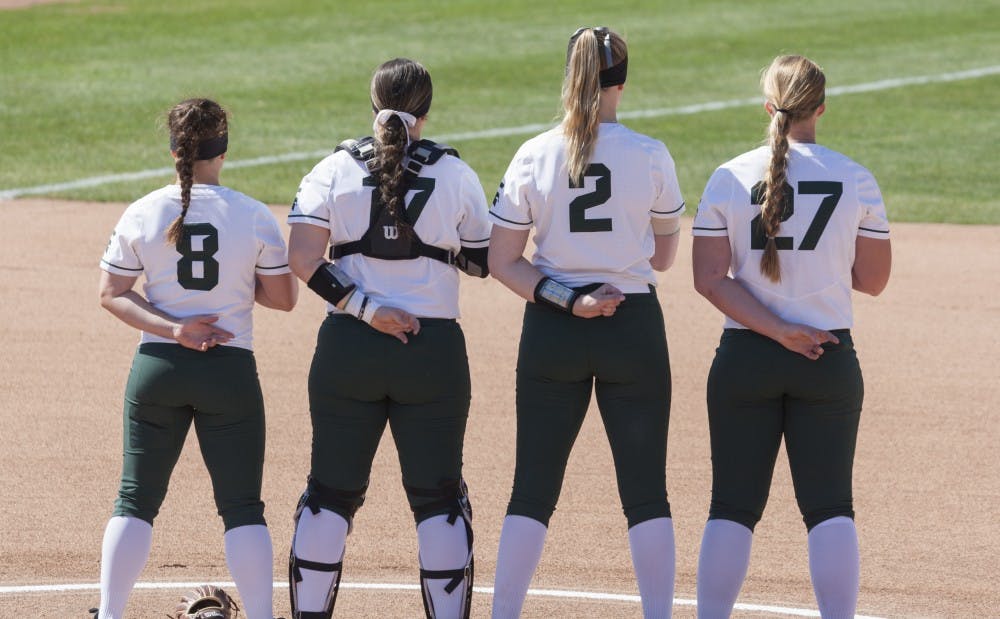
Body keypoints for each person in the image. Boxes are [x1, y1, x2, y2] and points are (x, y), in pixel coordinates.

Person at [488, 27, 685, 619]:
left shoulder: (533, 153)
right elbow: (664, 258)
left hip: (553, 329)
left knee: (533, 486)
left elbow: (502, 261)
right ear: (622, 82)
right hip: (632, 326)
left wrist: (567, 298)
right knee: (646, 489)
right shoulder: (650, 154)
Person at [285, 57, 491, 619]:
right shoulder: (456, 174)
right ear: (426, 112)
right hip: (432, 352)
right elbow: (483, 261)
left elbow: (302, 259)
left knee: (329, 493)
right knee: (438, 498)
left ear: (372, 104)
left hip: (348, 349)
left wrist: (367, 306)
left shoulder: (332, 170)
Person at [691, 55, 892, 619]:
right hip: (826, 359)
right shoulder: (855, 178)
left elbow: (708, 279)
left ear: (767, 107)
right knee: (830, 508)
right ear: (821, 108)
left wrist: (777, 329)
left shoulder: (729, 175)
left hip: (745, 360)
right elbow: (873, 282)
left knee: (731, 506)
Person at [95, 97, 297, 619]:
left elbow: (112, 292)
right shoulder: (253, 215)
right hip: (229, 371)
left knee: (135, 501)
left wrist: (175, 327)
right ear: (223, 150)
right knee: (243, 508)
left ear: (173, 150)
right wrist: (233, 283)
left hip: (158, 369)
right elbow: (283, 299)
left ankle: (109, 614)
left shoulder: (142, 210)